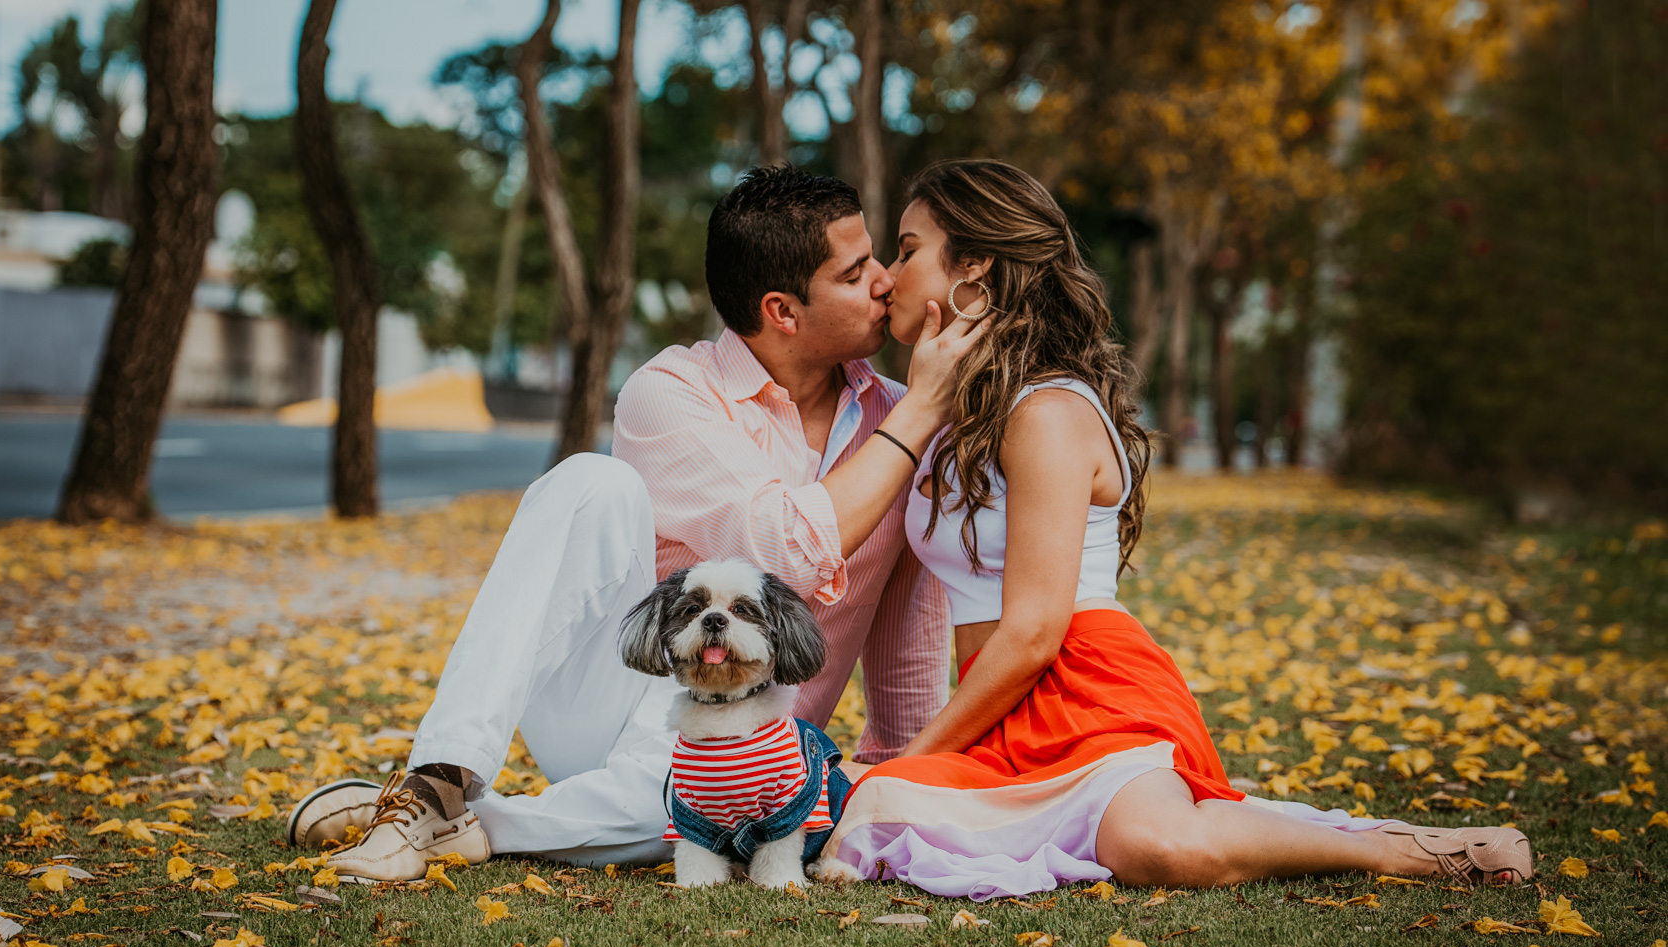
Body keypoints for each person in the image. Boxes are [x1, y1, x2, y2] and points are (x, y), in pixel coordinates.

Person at [812, 159, 1533, 899]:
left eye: (906, 249)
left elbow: (1033, 632)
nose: (887, 276)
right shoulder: (938, 417)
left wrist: (911, 756)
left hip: (1092, 690)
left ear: (976, 268)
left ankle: (1399, 849)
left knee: (1154, 846)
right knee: (876, 811)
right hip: (999, 713)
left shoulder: (1044, 413)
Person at [289, 167, 986, 882]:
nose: (883, 281)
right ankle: (439, 782)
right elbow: (787, 553)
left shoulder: (899, 417)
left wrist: (890, 780)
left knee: (691, 814)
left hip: (755, 757)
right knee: (592, 483)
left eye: (878, 256)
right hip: (624, 690)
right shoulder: (672, 392)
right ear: (783, 310)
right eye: (854, 271)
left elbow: (909, 635)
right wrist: (921, 416)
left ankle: (464, 826)